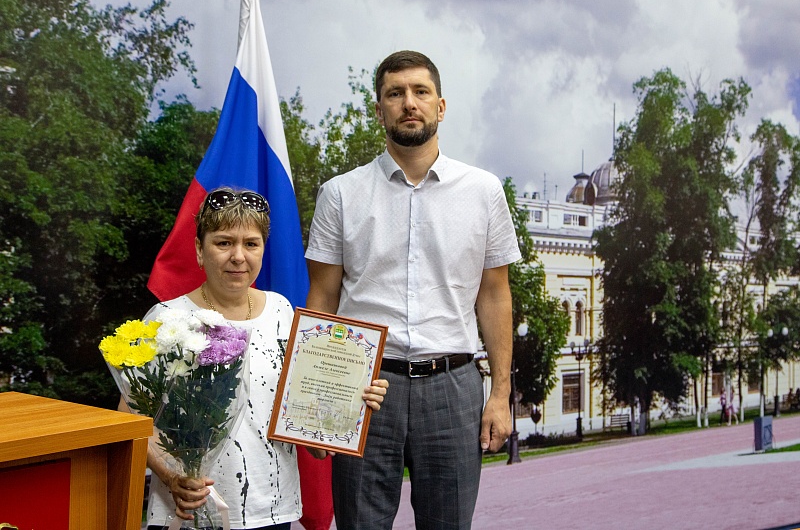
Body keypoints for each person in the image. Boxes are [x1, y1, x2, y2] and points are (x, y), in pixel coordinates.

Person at [305, 50, 521, 529]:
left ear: (440, 106)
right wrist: (319, 402)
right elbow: (322, 297)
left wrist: (501, 394)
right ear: (378, 110)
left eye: (421, 92)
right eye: (395, 93)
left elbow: (495, 295)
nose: (409, 103)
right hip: (364, 388)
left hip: (454, 387)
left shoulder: (484, 191)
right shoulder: (340, 194)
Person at [123, 187, 388, 530]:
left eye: (251, 243)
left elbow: (304, 423)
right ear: (200, 250)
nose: (238, 256)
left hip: (272, 508)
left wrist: (342, 413)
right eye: (223, 242)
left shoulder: (282, 312)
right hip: (189, 511)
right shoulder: (166, 320)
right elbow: (129, 419)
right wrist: (172, 476)